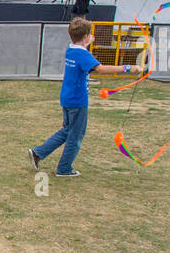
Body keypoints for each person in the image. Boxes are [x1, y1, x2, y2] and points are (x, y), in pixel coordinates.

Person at [28, 16, 143, 178]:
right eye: (89, 35)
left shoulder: (71, 49)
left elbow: (81, 48)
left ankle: (38, 153)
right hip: (77, 101)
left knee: (68, 130)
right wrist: (128, 68)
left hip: (67, 98)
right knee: (75, 135)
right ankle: (64, 168)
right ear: (85, 36)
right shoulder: (83, 55)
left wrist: (86, 41)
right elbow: (101, 69)